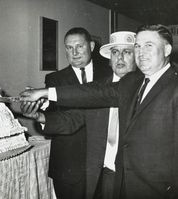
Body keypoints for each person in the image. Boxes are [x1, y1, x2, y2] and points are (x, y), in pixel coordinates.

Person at [19, 24, 178, 199]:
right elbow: (84, 101)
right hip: (108, 177)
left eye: (148, 45)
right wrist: (43, 100)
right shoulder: (132, 84)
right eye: (138, 46)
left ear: (167, 49)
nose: (141, 52)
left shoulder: (168, 86)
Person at [21, 31, 136, 199]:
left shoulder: (141, 86)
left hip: (131, 174)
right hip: (101, 170)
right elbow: (75, 118)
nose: (119, 58)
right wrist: (39, 117)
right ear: (109, 58)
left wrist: (44, 92)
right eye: (115, 52)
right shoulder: (99, 86)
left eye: (126, 52)